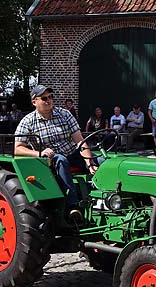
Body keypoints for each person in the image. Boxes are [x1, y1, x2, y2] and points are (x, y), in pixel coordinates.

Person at [14, 85, 97, 219]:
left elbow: (79, 141)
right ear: (34, 102)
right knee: (61, 160)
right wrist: (39, 153)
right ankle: (73, 206)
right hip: (49, 160)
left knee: (104, 162)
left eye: (51, 97)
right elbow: (17, 148)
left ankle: (109, 200)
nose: (49, 100)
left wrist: (90, 162)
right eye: (44, 98)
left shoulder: (65, 114)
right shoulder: (27, 121)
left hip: (72, 154)